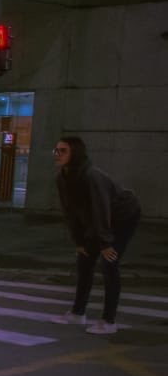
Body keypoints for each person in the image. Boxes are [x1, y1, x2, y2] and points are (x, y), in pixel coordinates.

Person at [51, 136, 141, 335]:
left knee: (109, 263)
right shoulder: (62, 177)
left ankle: (108, 321)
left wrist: (105, 243)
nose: (57, 154)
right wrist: (79, 241)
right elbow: (69, 211)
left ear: (75, 153)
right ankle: (78, 313)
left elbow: (102, 209)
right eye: (56, 150)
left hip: (123, 215)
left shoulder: (92, 176)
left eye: (63, 151)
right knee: (84, 259)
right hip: (97, 222)